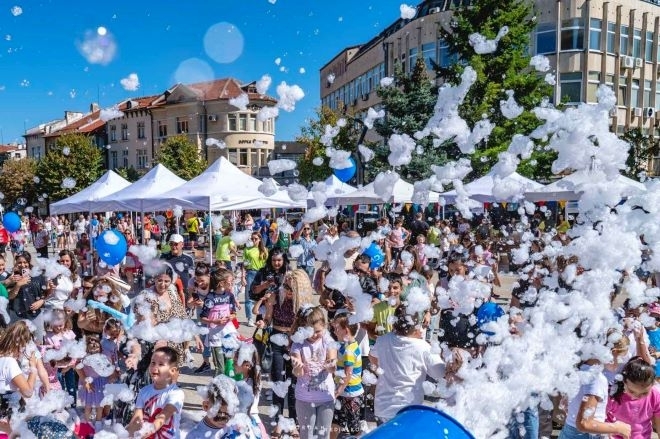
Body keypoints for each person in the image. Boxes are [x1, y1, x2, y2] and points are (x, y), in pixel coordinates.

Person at [369, 304, 444, 423]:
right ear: (415, 325)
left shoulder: (383, 340)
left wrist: (383, 369)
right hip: (408, 409)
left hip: (383, 406)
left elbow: (372, 357)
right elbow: (439, 372)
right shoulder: (422, 346)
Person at [558, 330, 632, 439]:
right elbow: (584, 423)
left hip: (569, 432)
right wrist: (617, 428)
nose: (620, 363)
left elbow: (567, 406)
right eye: (621, 358)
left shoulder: (581, 371)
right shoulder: (596, 379)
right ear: (613, 352)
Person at [290, 306, 336, 439]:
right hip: (304, 397)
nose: (314, 335)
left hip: (326, 397)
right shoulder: (298, 344)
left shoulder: (328, 341)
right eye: (310, 332)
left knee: (323, 435)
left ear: (325, 327)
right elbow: (298, 373)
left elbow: (332, 368)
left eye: (318, 331)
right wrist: (298, 367)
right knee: (307, 435)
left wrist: (330, 365)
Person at [126, 347, 185, 439]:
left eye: (161, 364)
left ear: (172, 371)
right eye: (153, 363)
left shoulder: (176, 393)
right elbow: (136, 419)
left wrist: (141, 435)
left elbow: (163, 416)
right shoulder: (144, 391)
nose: (154, 367)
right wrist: (127, 434)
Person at [606, 356, 660, 439]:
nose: (637, 396)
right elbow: (600, 420)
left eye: (644, 393)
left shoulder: (655, 395)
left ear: (653, 384)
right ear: (624, 382)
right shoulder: (613, 395)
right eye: (631, 391)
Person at [199, 268, 239, 377]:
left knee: (229, 363)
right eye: (230, 281)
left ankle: (228, 385)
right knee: (220, 366)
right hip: (215, 334)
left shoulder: (229, 296)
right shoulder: (210, 298)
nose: (232, 283)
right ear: (221, 283)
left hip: (227, 332)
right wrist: (215, 321)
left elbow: (234, 313)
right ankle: (218, 388)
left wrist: (231, 316)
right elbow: (202, 318)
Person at [331, 312, 364, 439]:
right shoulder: (348, 345)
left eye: (336, 328)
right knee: (336, 421)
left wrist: (338, 390)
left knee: (354, 427)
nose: (334, 331)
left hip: (351, 394)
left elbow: (347, 374)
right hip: (344, 392)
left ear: (346, 330)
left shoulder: (349, 351)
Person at [77, 334, 110, 423]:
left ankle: (98, 423)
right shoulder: (85, 358)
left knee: (100, 405)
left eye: (96, 346)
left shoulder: (103, 357)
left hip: (100, 382)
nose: (94, 347)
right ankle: (87, 423)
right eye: (92, 346)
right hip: (89, 382)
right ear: (87, 348)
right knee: (88, 405)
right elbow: (78, 367)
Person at [242, 232, 268, 327]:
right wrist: (242, 277)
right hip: (251, 273)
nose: (253, 240)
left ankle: (260, 317)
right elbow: (244, 264)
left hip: (261, 274)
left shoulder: (264, 250)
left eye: (255, 239)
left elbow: (267, 264)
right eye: (252, 239)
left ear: (260, 239)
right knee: (248, 297)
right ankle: (249, 318)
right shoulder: (247, 250)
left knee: (261, 297)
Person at [160, 234, 194, 298]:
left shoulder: (188, 258)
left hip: (184, 291)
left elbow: (192, 275)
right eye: (171, 244)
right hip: (168, 291)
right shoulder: (163, 257)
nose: (173, 246)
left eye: (176, 244)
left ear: (182, 245)